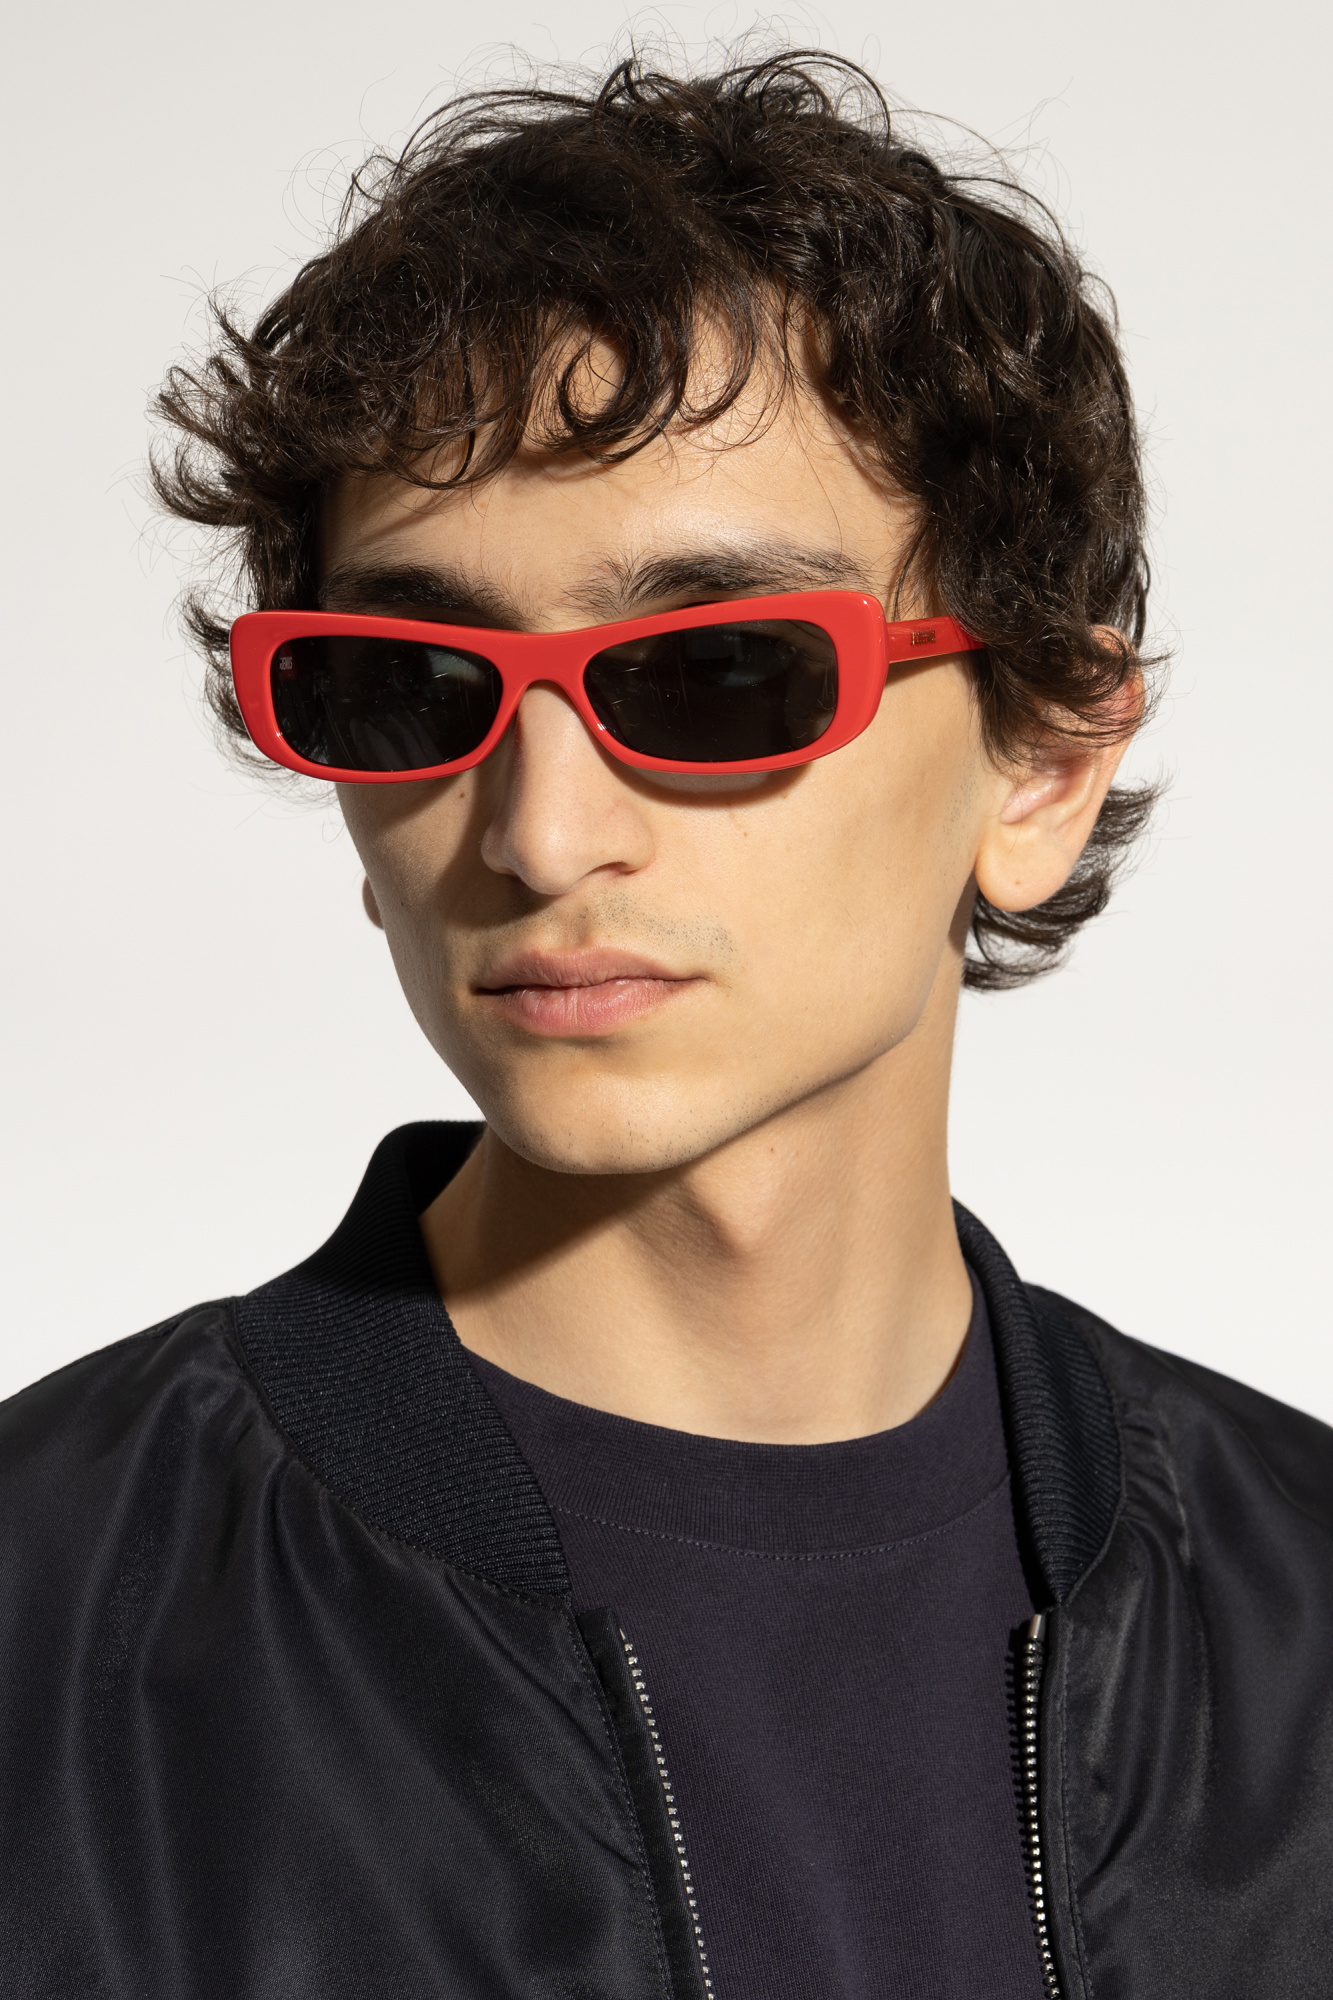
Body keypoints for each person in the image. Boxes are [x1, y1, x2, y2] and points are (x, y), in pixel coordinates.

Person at [1, 49, 1329, 2000]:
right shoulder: (45, 1630)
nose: (539, 833)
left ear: (1041, 762)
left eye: (717, 673)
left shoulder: (1299, 1618)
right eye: (411, 685)